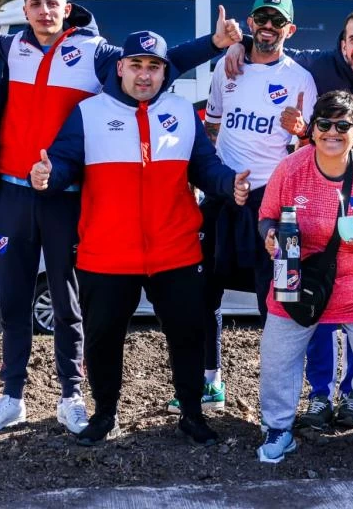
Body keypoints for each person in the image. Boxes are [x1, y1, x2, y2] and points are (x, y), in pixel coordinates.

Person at [0, 0, 241, 435]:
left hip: (67, 195)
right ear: (25, 9)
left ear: (66, 7)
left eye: (51, 3)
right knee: (14, 299)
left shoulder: (96, 52)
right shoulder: (3, 48)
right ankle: (12, 395)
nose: (43, 11)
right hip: (12, 191)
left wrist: (214, 45)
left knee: (66, 299)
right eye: (34, 4)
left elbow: (156, 65)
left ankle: (71, 395)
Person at [30, 31, 251, 447]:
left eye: (154, 67)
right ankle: (104, 415)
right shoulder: (89, 112)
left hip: (176, 249)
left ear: (165, 73)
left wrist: (228, 185)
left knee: (187, 334)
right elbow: (62, 163)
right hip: (107, 252)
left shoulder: (183, 112)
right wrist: (47, 176)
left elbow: (206, 167)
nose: (145, 75)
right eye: (136, 65)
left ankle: (190, 414)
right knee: (102, 339)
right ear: (120, 68)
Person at [225, 8, 353, 429]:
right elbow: (271, 44)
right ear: (342, 43)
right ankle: (318, 395)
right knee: (309, 309)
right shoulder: (315, 65)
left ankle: (351, 398)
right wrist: (241, 45)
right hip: (310, 219)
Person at [255, 90, 353, 468]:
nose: (332, 132)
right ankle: (278, 429)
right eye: (324, 124)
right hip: (298, 282)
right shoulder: (292, 167)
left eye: (343, 125)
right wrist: (270, 234)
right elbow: (266, 215)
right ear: (313, 129)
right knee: (277, 358)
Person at [182, 0, 315, 415]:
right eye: (262, 18)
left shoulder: (300, 79)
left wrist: (302, 131)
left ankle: (277, 395)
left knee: (273, 299)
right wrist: (217, 180)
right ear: (251, 22)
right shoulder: (228, 65)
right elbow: (215, 126)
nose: (268, 27)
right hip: (224, 195)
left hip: (270, 202)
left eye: (278, 21)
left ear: (289, 30)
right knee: (203, 291)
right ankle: (209, 382)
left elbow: (309, 147)